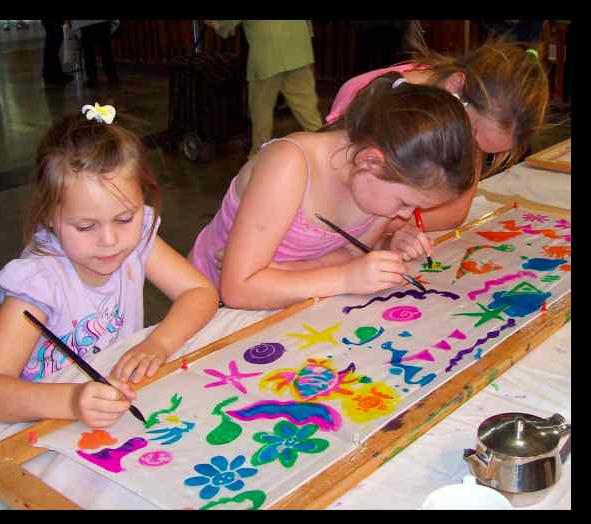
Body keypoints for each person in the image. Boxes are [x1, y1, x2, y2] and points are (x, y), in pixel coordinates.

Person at [0, 105, 219, 428]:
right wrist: (72, 401)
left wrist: (159, 343)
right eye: (85, 227)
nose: (110, 240)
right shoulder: (41, 279)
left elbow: (200, 292)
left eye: (125, 218)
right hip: (43, 425)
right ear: (48, 216)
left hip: (112, 414)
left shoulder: (136, 240)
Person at [189, 72, 475, 310]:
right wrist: (345, 279)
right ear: (371, 161)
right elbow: (238, 290)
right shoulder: (289, 166)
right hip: (209, 306)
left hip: (286, 301)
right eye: (404, 203)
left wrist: (284, 271)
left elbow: (350, 254)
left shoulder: (377, 182)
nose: (405, 216)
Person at [326, 37, 550, 233]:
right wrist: (392, 225)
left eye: (482, 150)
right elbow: (337, 209)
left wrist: (399, 227)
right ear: (455, 85)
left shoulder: (471, 114)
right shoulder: (374, 100)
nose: (469, 153)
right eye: (471, 136)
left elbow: (454, 213)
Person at [206, 20, 323, 157]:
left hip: (267, 56)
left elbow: (223, 26)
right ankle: (325, 153)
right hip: (299, 50)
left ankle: (257, 159)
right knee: (308, 111)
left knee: (261, 112)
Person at [69, 20, 121, 87]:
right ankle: (112, 76)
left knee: (89, 50)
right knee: (106, 49)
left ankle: (92, 77)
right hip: (100, 22)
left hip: (85, 23)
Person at [41, 19, 73, 85]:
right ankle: (52, 76)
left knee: (51, 48)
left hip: (51, 22)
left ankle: (54, 75)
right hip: (54, 23)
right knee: (52, 48)